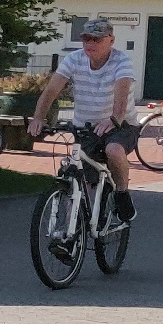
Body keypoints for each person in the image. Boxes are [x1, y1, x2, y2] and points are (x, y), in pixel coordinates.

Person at [31, 18, 139, 221]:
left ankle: (122, 193)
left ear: (111, 40)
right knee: (78, 178)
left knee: (113, 150)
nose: (90, 44)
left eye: (97, 40)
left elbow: (122, 95)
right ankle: (69, 232)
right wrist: (38, 118)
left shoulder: (122, 61)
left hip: (121, 124)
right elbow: (51, 91)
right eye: (87, 39)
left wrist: (113, 119)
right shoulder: (74, 59)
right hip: (86, 127)